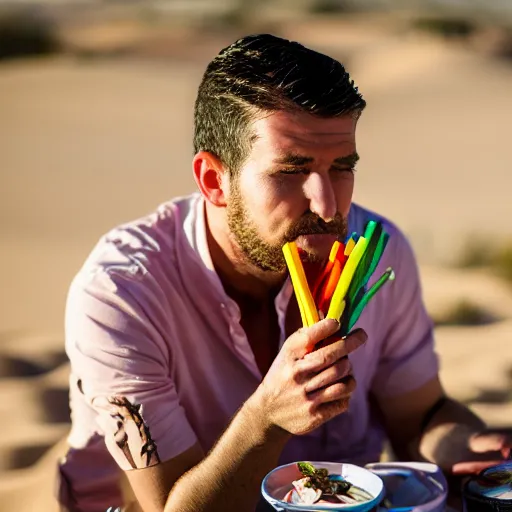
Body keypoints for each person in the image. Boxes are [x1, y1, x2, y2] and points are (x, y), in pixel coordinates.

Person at [57, 34, 510, 512]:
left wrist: (464, 447)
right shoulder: (121, 293)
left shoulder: (378, 248)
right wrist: (265, 420)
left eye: (342, 167)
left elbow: (419, 417)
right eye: (291, 171)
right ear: (214, 181)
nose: (328, 204)